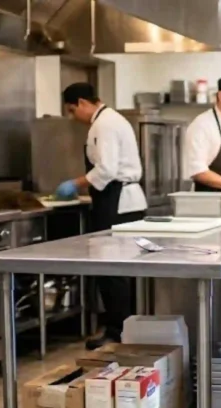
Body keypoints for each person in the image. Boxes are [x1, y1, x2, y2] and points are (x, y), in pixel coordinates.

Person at [55, 82, 146, 350]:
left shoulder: (103, 124)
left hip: (116, 201)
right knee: (120, 268)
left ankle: (117, 331)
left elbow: (105, 170)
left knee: (112, 268)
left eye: (73, 110)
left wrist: (75, 183)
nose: (74, 117)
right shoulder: (112, 120)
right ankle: (124, 328)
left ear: (83, 102)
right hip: (123, 201)